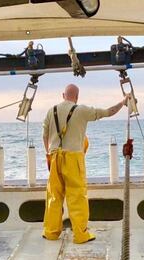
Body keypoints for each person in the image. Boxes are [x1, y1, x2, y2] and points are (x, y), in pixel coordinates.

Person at [42, 84, 128, 244]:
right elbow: (108, 112)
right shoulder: (81, 110)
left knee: (54, 196)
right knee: (77, 196)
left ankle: (51, 232)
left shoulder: (51, 110)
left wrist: (48, 154)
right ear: (77, 97)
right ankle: (81, 235)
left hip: (54, 158)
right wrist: (123, 102)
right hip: (73, 158)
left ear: (63, 95)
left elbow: (45, 136)